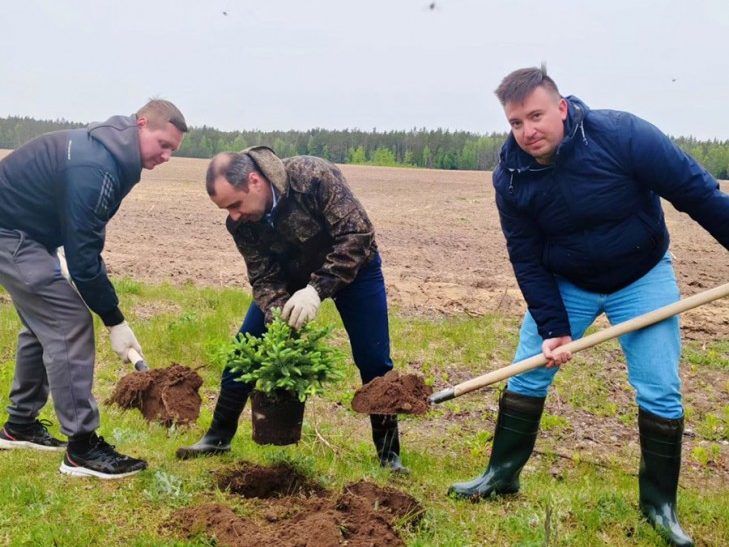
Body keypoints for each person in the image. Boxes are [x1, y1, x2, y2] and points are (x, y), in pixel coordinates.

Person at [448, 66, 729, 546]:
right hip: (566, 282)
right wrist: (554, 326)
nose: (527, 131)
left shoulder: (623, 135)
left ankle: (659, 507)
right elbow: (526, 257)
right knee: (528, 371)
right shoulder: (510, 177)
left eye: (535, 116)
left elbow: (696, 192)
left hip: (641, 276)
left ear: (561, 107)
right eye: (515, 122)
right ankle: (501, 474)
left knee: (660, 388)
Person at [176, 146, 407, 473]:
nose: (234, 216)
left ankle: (389, 456)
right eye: (226, 209)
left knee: (374, 359)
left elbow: (357, 235)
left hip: (354, 269)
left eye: (235, 204)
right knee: (246, 347)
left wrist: (317, 290)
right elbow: (263, 277)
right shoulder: (240, 223)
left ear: (254, 181)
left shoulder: (312, 177)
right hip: (289, 276)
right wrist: (280, 318)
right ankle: (218, 437)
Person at [0, 100, 187, 479]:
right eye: (163, 144)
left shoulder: (110, 154)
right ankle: (82, 449)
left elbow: (85, 238)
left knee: (43, 322)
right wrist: (114, 321)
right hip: (11, 234)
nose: (166, 156)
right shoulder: (95, 166)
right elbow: (84, 259)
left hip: (29, 233)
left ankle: (19, 426)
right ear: (140, 124)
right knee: (68, 320)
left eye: (173, 150)